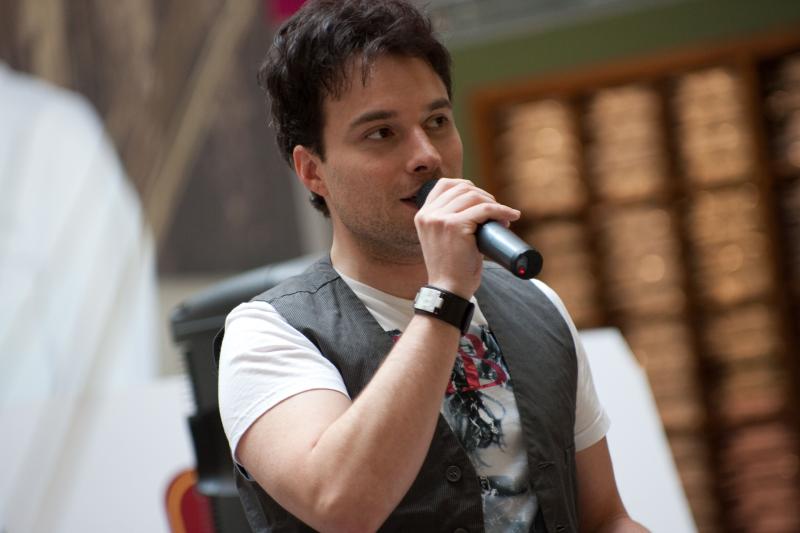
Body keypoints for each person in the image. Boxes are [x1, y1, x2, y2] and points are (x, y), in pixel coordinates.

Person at [217, 1, 647, 531]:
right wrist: (446, 293)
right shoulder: (267, 335)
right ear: (312, 171)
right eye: (382, 133)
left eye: (437, 121)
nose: (427, 155)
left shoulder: (537, 304)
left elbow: (605, 517)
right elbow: (340, 505)